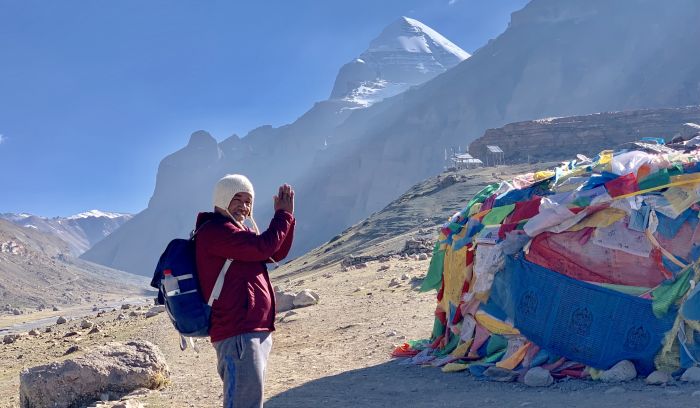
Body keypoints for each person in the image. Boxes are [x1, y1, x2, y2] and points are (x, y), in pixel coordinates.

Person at [195, 174, 295, 408]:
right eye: (237, 198)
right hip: (238, 332)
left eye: (248, 200)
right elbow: (264, 247)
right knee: (244, 403)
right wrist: (283, 215)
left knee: (249, 400)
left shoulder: (236, 232)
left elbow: (274, 253)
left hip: (250, 329)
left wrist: (288, 218)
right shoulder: (216, 231)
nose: (244, 205)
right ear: (222, 198)